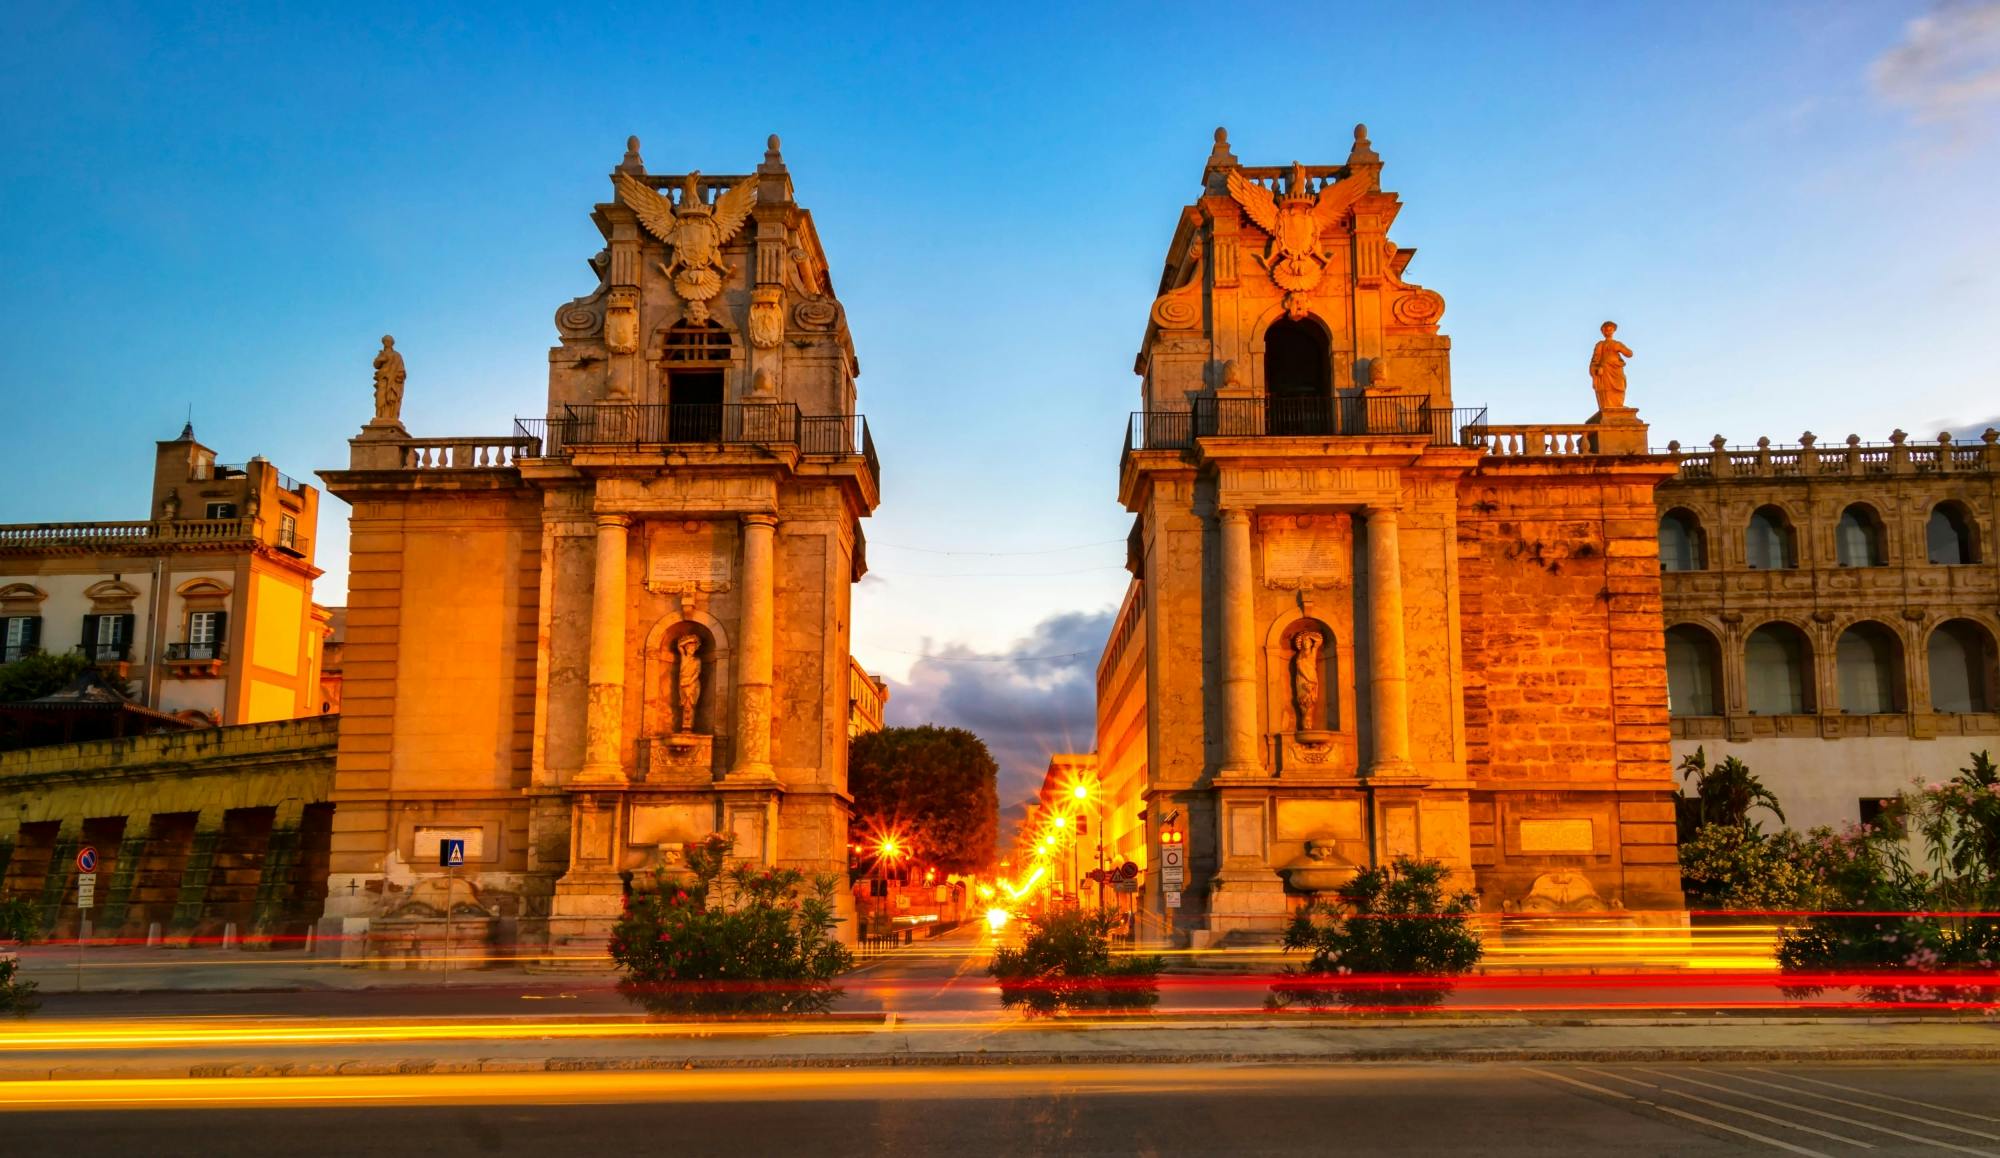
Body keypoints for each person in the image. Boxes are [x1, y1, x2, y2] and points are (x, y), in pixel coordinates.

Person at [1589, 321, 1632, 411]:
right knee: (1607, 389)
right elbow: (1595, 360)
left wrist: (1621, 348)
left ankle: (1618, 406)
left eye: (1610, 330)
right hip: (1605, 370)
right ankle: (1609, 407)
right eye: (1606, 330)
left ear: (1614, 331)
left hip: (1617, 369)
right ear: (1603, 331)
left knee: (1621, 386)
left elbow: (1629, 354)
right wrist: (1597, 369)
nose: (1608, 332)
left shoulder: (1617, 344)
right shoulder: (1600, 344)